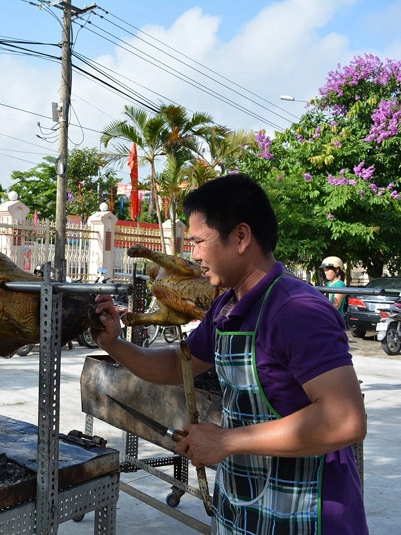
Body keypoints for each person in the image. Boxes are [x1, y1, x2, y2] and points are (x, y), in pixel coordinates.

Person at [93, 173, 367, 534]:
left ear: (240, 237)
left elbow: (345, 420)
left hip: (307, 514)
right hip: (246, 510)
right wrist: (114, 343)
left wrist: (226, 441)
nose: (193, 255)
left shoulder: (297, 310)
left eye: (199, 242)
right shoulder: (227, 305)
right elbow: (180, 364)